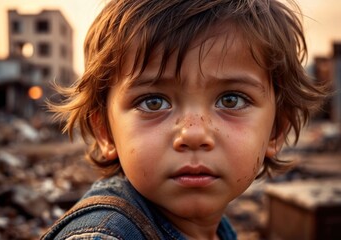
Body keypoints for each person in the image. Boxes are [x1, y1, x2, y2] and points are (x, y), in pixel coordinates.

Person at [41, 0, 327, 239]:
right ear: (105, 132)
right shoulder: (105, 236)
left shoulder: (216, 229)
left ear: (276, 130)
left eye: (231, 100)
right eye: (154, 102)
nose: (193, 134)